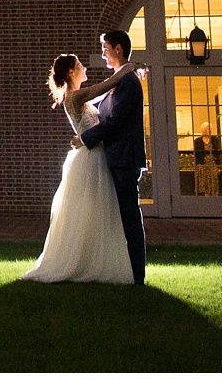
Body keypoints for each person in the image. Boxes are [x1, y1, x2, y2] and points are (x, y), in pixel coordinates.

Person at [20, 48, 144, 284]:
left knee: (97, 213)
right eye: (80, 65)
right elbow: (107, 85)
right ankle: (83, 262)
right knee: (91, 213)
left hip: (94, 155)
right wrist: (129, 68)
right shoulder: (75, 97)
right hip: (90, 159)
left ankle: (95, 260)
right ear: (70, 72)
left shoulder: (79, 96)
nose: (85, 68)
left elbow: (107, 94)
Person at [78, 30, 149, 285]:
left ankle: (136, 275)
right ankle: (122, 270)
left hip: (124, 159)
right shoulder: (118, 81)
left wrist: (85, 139)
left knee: (129, 216)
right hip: (115, 158)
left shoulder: (128, 83)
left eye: (106, 48)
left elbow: (116, 121)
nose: (103, 53)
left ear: (118, 49)